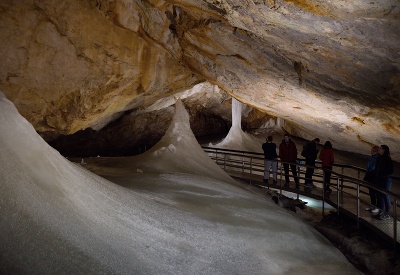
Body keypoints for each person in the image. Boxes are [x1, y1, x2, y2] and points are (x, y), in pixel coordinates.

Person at [373, 145, 394, 220]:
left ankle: (387, 214)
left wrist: (384, 175)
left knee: (385, 195)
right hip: (379, 179)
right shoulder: (380, 158)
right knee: (379, 195)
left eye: (380, 148)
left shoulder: (387, 159)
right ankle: (380, 211)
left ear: (384, 150)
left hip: (385, 180)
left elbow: (391, 170)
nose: (379, 149)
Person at [364, 146, 379, 211]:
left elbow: (373, 167)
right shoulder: (372, 157)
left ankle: (376, 207)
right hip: (370, 175)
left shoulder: (376, 158)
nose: (371, 152)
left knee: (373, 192)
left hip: (373, 176)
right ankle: (373, 205)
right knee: (371, 192)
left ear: (376, 152)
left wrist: (369, 171)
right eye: (371, 150)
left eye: (373, 151)